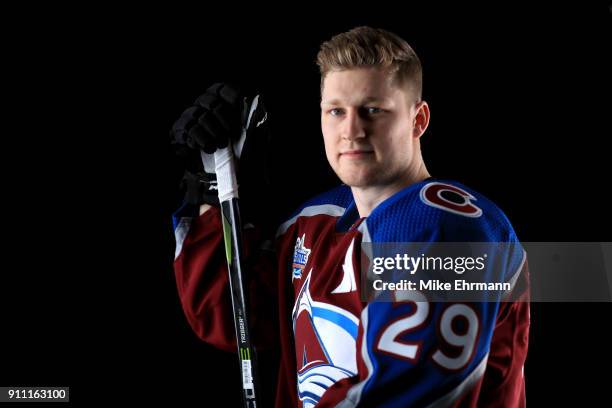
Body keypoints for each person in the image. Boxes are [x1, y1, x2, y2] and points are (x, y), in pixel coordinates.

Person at [171, 26, 530, 407]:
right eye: (336, 111)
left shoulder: (450, 227)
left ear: (418, 120)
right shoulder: (314, 223)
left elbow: (406, 392)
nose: (351, 131)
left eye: (372, 110)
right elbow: (233, 318)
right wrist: (213, 186)